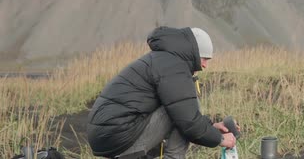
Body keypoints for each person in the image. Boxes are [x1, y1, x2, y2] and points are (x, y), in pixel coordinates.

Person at [87, 26, 237, 158]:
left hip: (108, 134)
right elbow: (188, 121)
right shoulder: (173, 66)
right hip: (118, 135)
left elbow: (183, 109)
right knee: (182, 115)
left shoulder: (164, 59)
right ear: (195, 53)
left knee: (180, 109)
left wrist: (212, 127)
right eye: (204, 58)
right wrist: (220, 139)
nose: (205, 65)